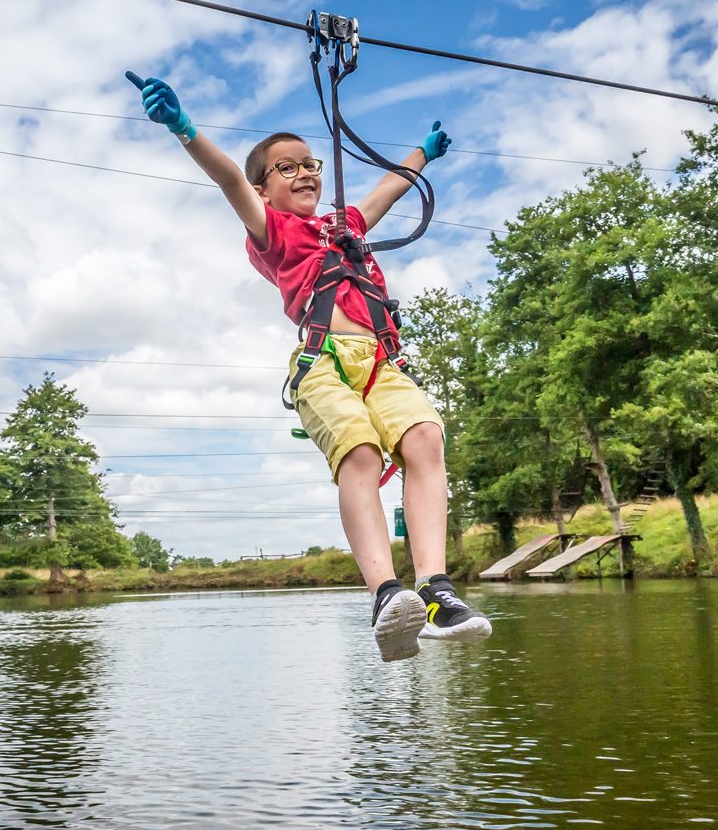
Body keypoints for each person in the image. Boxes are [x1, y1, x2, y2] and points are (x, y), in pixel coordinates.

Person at [125, 70, 492, 661]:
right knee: (361, 452)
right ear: (265, 188)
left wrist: (422, 152)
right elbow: (226, 180)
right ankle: (384, 593)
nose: (305, 173)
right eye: (286, 167)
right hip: (324, 361)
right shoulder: (271, 230)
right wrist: (184, 129)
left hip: (379, 360)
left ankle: (436, 592)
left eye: (310, 163)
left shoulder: (340, 228)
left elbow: (386, 192)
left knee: (425, 438)